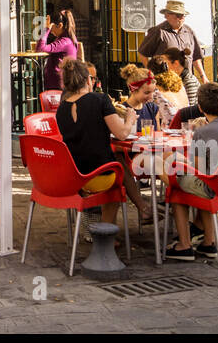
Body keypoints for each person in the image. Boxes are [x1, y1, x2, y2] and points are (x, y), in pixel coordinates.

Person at [55, 58, 151, 227]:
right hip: (99, 175)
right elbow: (121, 134)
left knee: (118, 162)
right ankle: (110, 234)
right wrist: (129, 119)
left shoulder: (61, 108)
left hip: (73, 176)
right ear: (87, 80)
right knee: (117, 175)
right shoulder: (99, 100)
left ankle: (142, 210)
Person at [166, 82, 218, 261]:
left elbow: (198, 170)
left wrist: (178, 163)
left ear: (201, 108)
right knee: (204, 182)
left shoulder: (202, 133)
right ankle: (208, 242)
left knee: (176, 185)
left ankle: (184, 245)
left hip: (216, 189)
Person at [138, 0, 207, 83]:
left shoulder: (189, 32)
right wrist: (152, 73)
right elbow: (142, 54)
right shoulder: (158, 31)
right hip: (166, 81)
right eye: (178, 15)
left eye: (183, 15)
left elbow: (196, 57)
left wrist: (203, 76)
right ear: (167, 15)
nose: (181, 18)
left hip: (186, 80)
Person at [120, 63, 174, 131]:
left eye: (153, 91)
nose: (151, 97)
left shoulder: (153, 108)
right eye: (147, 92)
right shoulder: (122, 110)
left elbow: (157, 135)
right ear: (133, 90)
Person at [37, 9, 78, 91]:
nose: (51, 30)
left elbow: (40, 49)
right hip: (61, 84)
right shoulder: (67, 40)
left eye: (52, 27)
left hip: (58, 86)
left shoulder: (64, 42)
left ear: (59, 25)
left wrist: (46, 29)